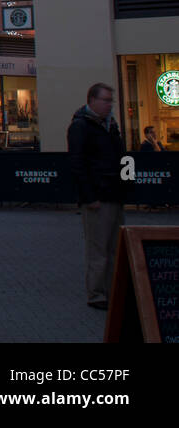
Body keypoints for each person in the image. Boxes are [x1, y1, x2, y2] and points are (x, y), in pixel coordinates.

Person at [67, 82, 129, 310]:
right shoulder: (81, 126)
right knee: (98, 249)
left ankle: (114, 289)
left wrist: (125, 184)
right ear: (92, 100)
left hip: (114, 193)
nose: (109, 105)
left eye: (111, 100)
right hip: (97, 197)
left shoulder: (110, 125)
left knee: (115, 248)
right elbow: (77, 164)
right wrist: (89, 195)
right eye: (105, 100)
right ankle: (97, 294)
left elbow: (121, 155)